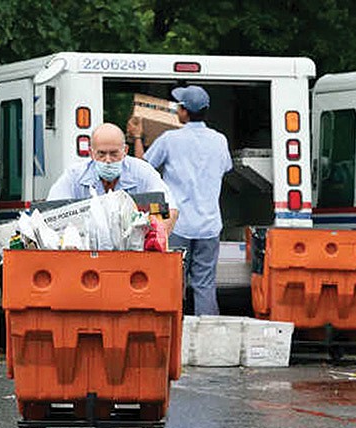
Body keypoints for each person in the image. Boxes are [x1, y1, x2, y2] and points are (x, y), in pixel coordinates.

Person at [129, 85, 232, 315]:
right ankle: (206, 334)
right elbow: (227, 167)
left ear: (184, 112)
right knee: (204, 283)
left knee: (173, 282)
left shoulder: (170, 139)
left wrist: (137, 137)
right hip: (209, 225)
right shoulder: (220, 140)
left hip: (177, 225)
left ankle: (172, 330)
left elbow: (143, 168)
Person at [48, 122, 178, 234]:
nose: (108, 160)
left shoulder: (143, 172)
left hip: (135, 253)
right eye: (102, 154)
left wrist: (156, 240)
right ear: (91, 153)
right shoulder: (74, 176)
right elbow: (50, 212)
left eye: (114, 153)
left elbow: (170, 209)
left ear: (125, 151)